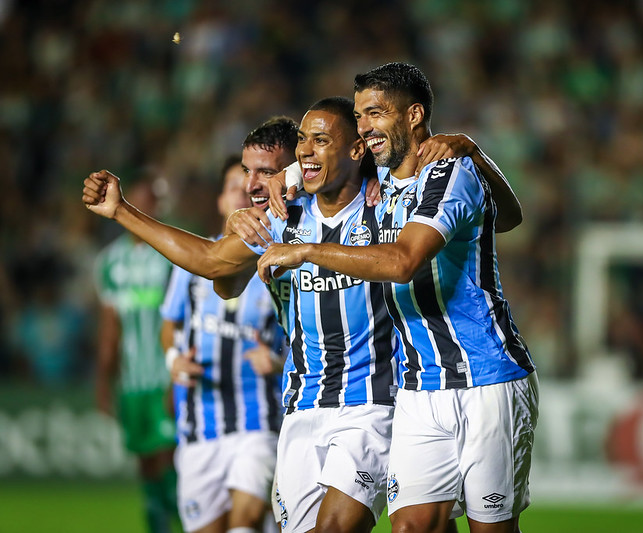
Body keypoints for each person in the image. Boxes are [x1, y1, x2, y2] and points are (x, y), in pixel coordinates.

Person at [256, 62, 538, 533]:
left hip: (487, 378)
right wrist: (273, 183)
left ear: (414, 116)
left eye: (376, 113)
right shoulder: (383, 181)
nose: (364, 126)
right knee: (410, 528)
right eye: (361, 116)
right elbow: (323, 159)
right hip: (418, 387)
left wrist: (305, 250)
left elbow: (404, 261)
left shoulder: (449, 172)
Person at [160, 154, 287, 533]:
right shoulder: (196, 262)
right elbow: (169, 326)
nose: (243, 195)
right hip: (200, 424)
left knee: (246, 522)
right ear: (221, 202)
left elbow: (302, 333)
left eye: (250, 188)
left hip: (259, 419)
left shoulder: (278, 260)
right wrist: (173, 360)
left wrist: (279, 360)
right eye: (234, 187)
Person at [93, 177, 179, 533]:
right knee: (146, 464)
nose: (145, 211)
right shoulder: (110, 263)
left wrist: (177, 375)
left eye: (151, 204)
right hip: (132, 383)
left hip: (165, 379)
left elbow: (182, 320)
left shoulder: (171, 255)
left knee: (169, 460)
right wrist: (103, 381)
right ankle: (158, 525)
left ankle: (187, 521)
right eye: (138, 203)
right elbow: (109, 329)